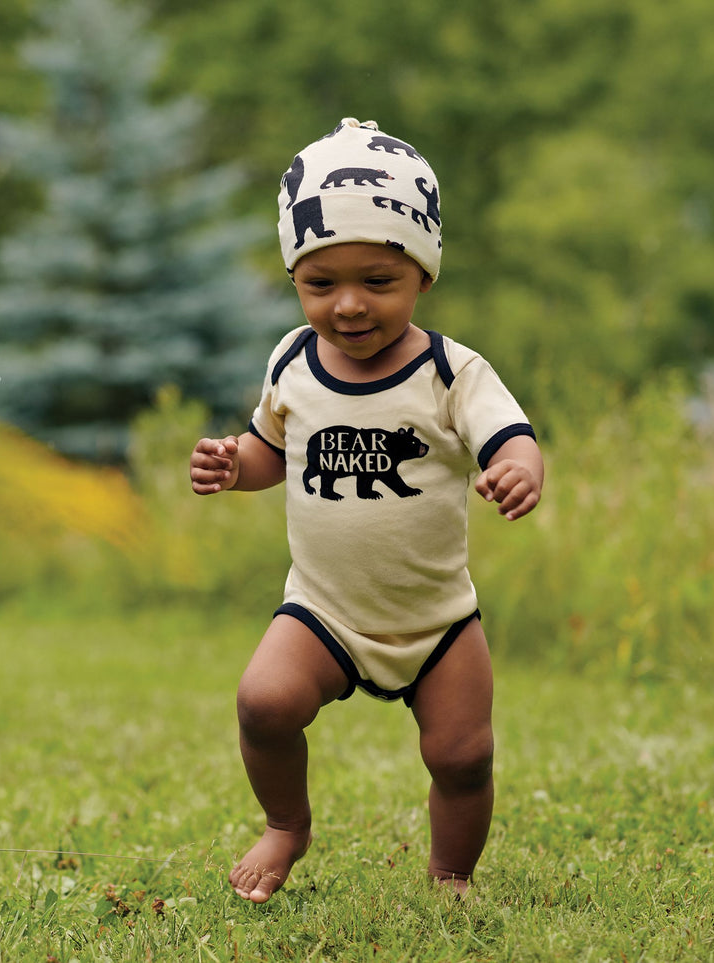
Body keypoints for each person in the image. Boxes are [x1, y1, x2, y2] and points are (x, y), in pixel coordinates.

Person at [189, 118, 544, 903]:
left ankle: (450, 876)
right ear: (293, 281)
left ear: (421, 274)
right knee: (263, 702)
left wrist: (516, 472)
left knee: (461, 756)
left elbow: (511, 439)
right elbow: (270, 454)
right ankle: (286, 824)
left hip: (436, 619)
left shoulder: (452, 372)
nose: (347, 305)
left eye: (376, 281)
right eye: (320, 284)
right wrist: (230, 463)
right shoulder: (291, 361)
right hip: (322, 609)